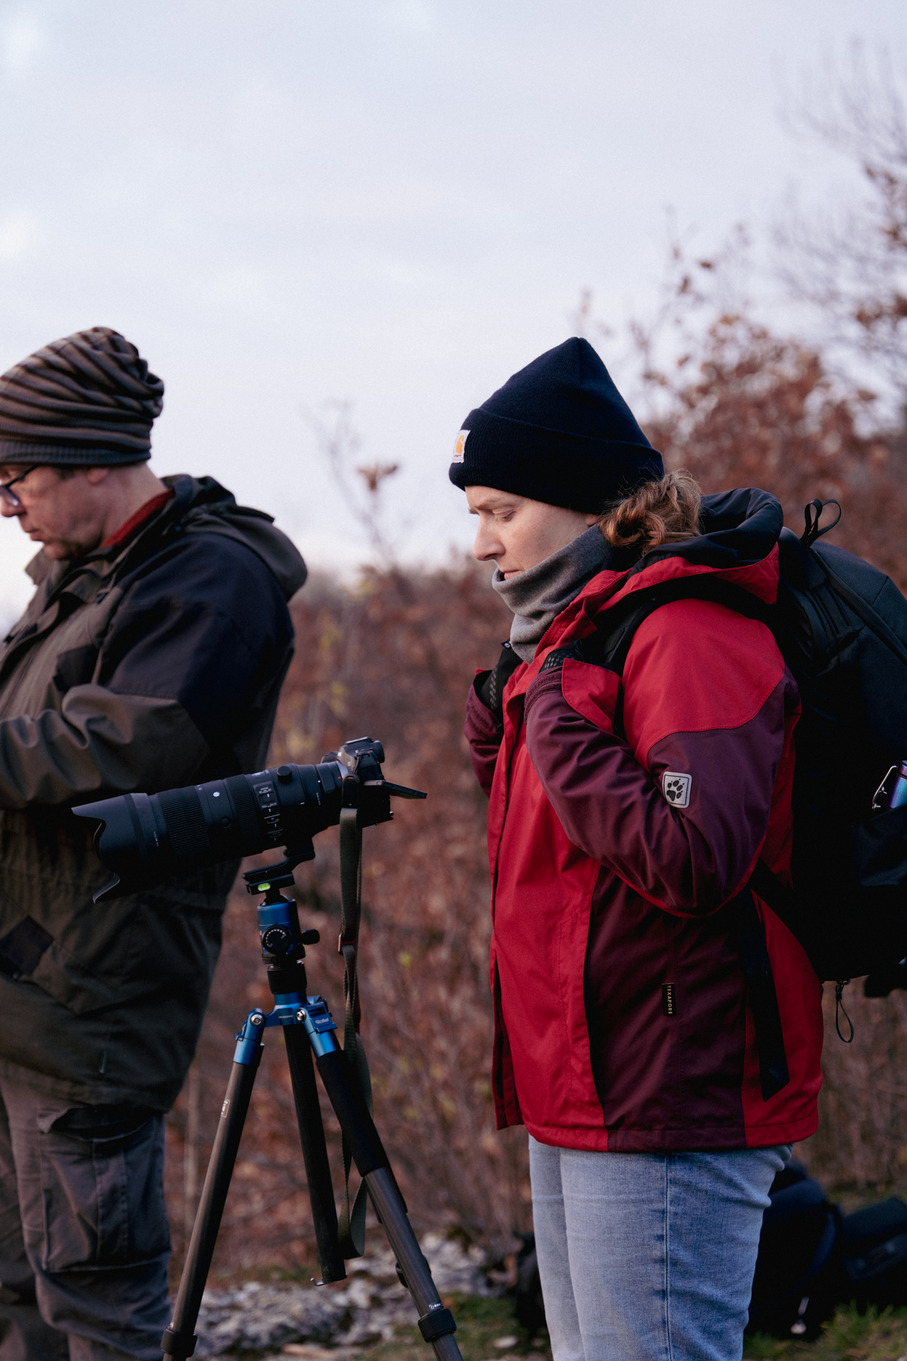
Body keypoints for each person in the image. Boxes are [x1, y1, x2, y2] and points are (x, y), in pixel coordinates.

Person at [449, 337, 824, 1361]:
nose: (480, 544)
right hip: (586, 1075)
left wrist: (556, 715)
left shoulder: (687, 628)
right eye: (475, 514)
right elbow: (568, 856)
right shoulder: (574, 638)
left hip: (670, 1082)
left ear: (584, 503)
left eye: (500, 510)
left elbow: (695, 858)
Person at [0, 327, 308, 1360]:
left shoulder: (208, 579)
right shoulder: (84, 572)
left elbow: (123, 746)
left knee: (98, 1307)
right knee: (15, 1294)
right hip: (24, 983)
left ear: (91, 460)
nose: (7, 506)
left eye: (17, 479)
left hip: (93, 997)